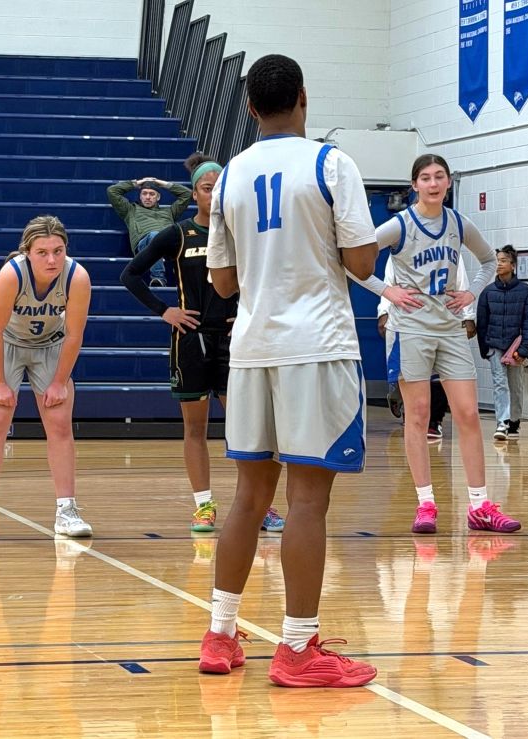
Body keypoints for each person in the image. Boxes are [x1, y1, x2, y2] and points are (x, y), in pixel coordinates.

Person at [198, 54, 379, 687]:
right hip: (317, 347)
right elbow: (360, 263)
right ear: (304, 96)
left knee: (249, 497)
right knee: (307, 500)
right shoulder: (332, 163)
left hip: (251, 346)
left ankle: (220, 635)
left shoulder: (227, 178)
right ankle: (299, 646)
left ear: (250, 107)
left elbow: (221, 282)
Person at [355, 153, 521, 536]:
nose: (433, 183)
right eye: (425, 177)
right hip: (410, 328)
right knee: (418, 417)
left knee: (466, 414)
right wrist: (387, 291)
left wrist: (471, 294)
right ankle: (425, 503)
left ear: (448, 183)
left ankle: (479, 506)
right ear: (414, 185)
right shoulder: (399, 225)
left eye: (439, 176)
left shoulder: (459, 224)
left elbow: (486, 262)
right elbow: (355, 261)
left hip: (448, 328)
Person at [119, 152, 284, 535]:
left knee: (247, 427)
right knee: (195, 429)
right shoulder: (177, 234)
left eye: (221, 188)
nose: (215, 194)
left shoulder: (244, 233)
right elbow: (130, 274)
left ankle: (261, 506)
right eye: (208, 189)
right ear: (195, 194)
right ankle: (204, 506)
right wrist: (165, 311)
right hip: (190, 339)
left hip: (235, 338)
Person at [0, 215, 94, 539]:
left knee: (60, 422)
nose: (51, 259)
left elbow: (75, 335)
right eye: (42, 252)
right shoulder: (12, 274)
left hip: (51, 346)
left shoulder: (77, 277)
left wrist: (58, 381)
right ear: (27, 252)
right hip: (6, 343)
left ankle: (67, 510)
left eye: (58, 250)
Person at [377, 256, 477, 440]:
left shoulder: (452, 240)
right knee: (405, 377)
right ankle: (401, 403)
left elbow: (462, 281)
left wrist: (469, 316)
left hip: (443, 321)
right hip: (408, 322)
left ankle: (434, 422)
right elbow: (388, 282)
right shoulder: (400, 240)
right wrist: (383, 312)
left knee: (438, 377)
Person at [477, 244, 528, 441]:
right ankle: (502, 422)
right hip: (494, 345)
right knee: (499, 384)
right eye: (497, 261)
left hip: (515, 347)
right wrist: (484, 347)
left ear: (513, 265)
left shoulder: (525, 291)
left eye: (503, 261)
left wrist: (524, 349)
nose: (499, 264)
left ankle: (514, 420)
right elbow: (482, 322)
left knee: (515, 385)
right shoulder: (487, 293)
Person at [107, 176, 192, 287]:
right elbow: (112, 191)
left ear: (158, 197)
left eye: (152, 194)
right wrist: (137, 183)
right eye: (144, 193)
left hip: (169, 245)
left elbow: (188, 194)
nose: (148, 197)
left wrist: (163, 184)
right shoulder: (130, 210)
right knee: (154, 236)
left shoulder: (169, 212)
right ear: (140, 196)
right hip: (146, 246)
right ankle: (158, 278)